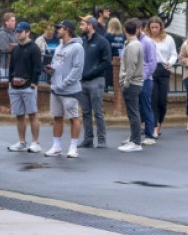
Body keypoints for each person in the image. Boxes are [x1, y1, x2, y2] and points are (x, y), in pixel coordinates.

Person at [44, 20, 84, 158]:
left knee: (73, 117)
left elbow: (77, 69)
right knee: (57, 117)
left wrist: (65, 83)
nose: (57, 31)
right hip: (56, 88)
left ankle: (73, 147)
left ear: (66, 30)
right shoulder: (60, 47)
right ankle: (56, 147)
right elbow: (57, 63)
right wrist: (51, 70)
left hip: (69, 90)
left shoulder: (77, 47)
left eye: (59, 28)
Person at [6, 22, 43, 153]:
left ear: (27, 32)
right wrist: (10, 82)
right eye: (16, 31)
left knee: (32, 114)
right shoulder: (15, 49)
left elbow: (37, 67)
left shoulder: (34, 48)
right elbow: (11, 67)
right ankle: (21, 142)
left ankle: (35, 142)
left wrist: (34, 83)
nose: (17, 34)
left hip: (28, 86)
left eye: (20, 32)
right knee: (19, 115)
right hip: (15, 86)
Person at [78, 16, 111, 148]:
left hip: (96, 80)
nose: (81, 26)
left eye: (83, 24)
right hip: (83, 81)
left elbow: (106, 61)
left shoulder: (102, 42)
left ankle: (102, 139)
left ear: (90, 25)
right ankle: (88, 139)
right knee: (85, 112)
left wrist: (92, 72)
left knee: (98, 111)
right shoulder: (82, 41)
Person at [147, 17, 176, 137]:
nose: (154, 30)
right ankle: (154, 126)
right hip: (151, 70)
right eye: (152, 27)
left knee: (162, 101)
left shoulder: (168, 39)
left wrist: (171, 62)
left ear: (161, 27)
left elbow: (174, 53)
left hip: (163, 69)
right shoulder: (147, 39)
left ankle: (160, 123)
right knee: (153, 99)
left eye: (156, 27)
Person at [118, 19, 144, 152]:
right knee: (132, 112)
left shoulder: (133, 45)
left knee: (133, 112)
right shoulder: (133, 44)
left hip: (132, 83)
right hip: (134, 82)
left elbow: (131, 66)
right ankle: (134, 138)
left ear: (125, 30)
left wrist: (126, 82)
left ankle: (136, 142)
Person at [137, 22, 158, 144]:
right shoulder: (131, 41)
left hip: (145, 80)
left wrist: (144, 76)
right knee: (136, 108)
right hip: (134, 79)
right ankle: (135, 135)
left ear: (141, 28)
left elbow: (152, 63)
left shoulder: (148, 42)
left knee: (146, 107)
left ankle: (150, 135)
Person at [0, 12, 18, 81]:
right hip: (5, 65)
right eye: (12, 21)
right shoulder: (2, 33)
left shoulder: (15, 32)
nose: (14, 22)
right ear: (6, 22)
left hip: (15, 63)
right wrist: (17, 46)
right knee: (5, 85)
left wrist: (14, 46)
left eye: (14, 20)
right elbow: (5, 49)